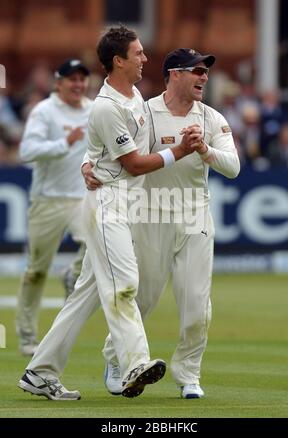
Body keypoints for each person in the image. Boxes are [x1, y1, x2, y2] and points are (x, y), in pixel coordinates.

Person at [18, 27, 203, 401]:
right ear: (118, 61)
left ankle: (39, 372)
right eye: (137, 54)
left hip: (127, 202)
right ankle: (134, 361)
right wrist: (180, 152)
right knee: (125, 284)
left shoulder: (133, 95)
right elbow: (134, 163)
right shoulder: (106, 105)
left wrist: (88, 161)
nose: (144, 59)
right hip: (108, 204)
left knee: (84, 296)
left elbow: (101, 146)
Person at [92, 48, 240, 399]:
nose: (204, 77)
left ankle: (189, 375)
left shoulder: (212, 118)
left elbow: (232, 167)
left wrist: (204, 150)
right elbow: (117, 150)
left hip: (195, 216)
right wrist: (89, 164)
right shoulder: (145, 113)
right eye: (198, 71)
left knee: (196, 306)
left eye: (206, 72)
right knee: (141, 300)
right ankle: (117, 359)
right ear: (175, 73)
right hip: (151, 214)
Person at [16, 59, 92, 356]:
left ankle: (72, 273)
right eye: (71, 79)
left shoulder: (93, 110)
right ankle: (26, 336)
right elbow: (27, 152)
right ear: (58, 83)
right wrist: (64, 142)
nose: (78, 85)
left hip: (81, 198)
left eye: (82, 79)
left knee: (94, 245)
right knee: (35, 271)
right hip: (47, 199)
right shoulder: (44, 111)